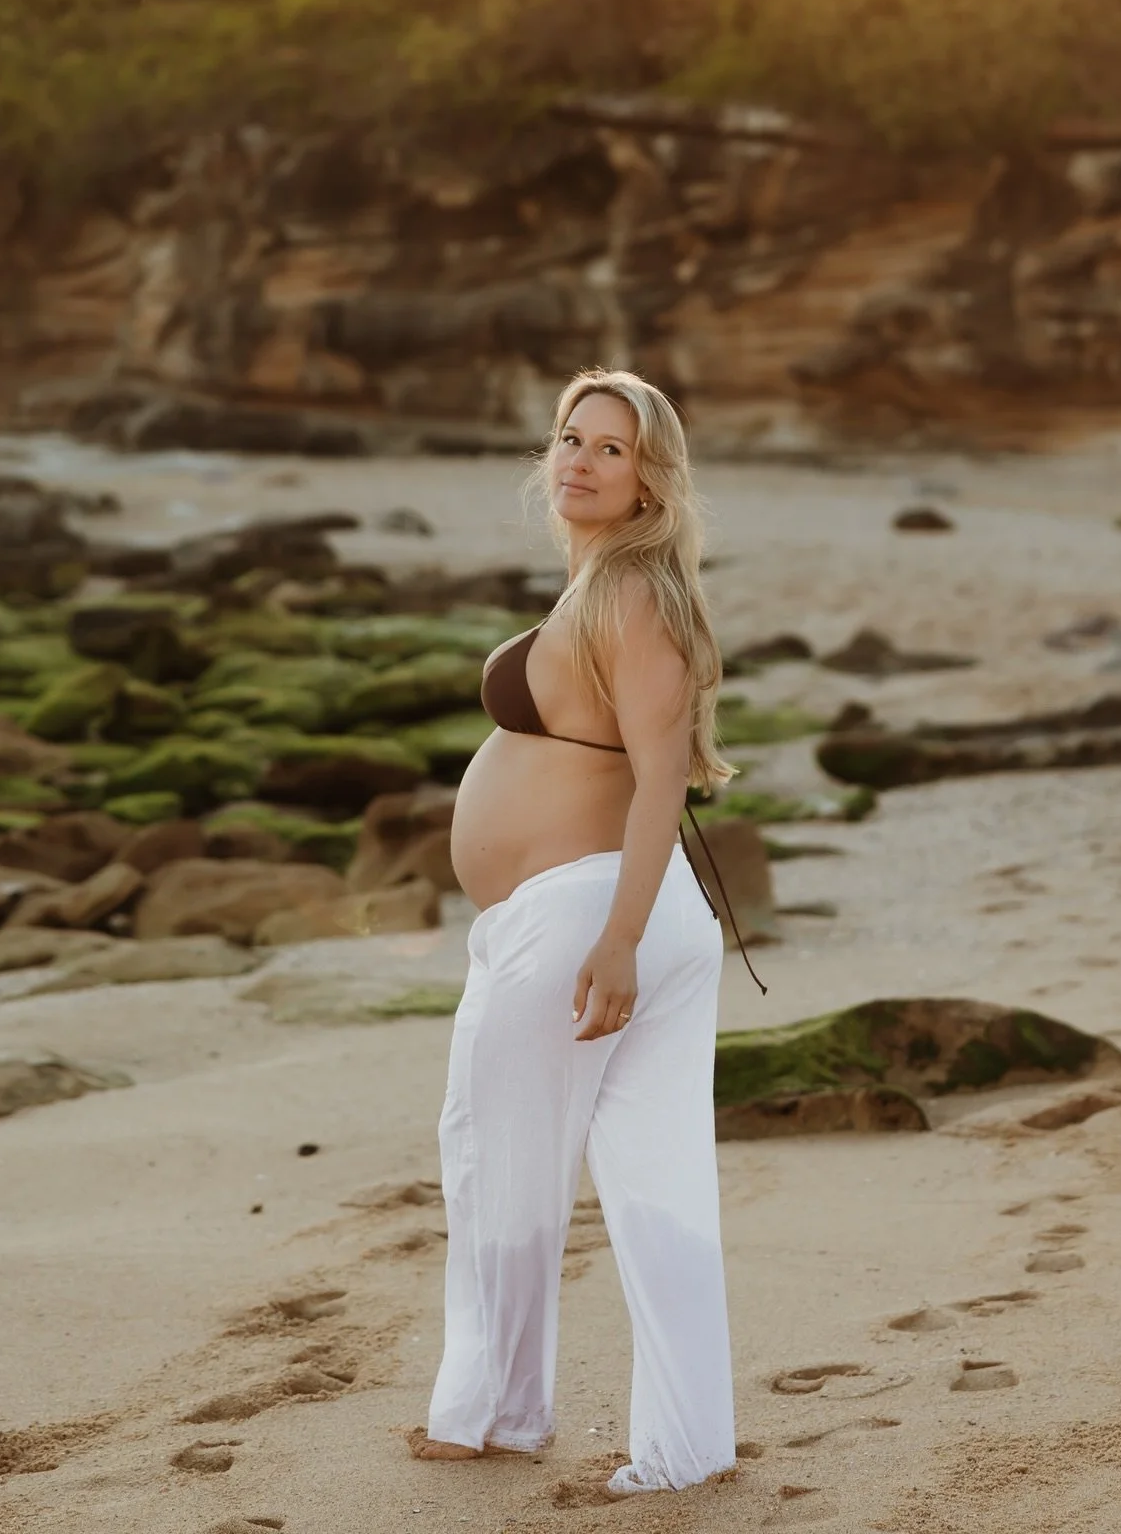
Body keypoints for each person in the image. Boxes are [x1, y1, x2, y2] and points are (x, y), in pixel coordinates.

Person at [410, 366, 738, 1495]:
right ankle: (688, 1448)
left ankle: (492, 1415)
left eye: (612, 447)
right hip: (612, 911)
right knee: (656, 1189)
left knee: (497, 1158)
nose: (582, 461)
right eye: (570, 437)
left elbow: (662, 778)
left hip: (592, 913)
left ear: (651, 480)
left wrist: (617, 938)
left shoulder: (632, 593)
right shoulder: (608, 585)